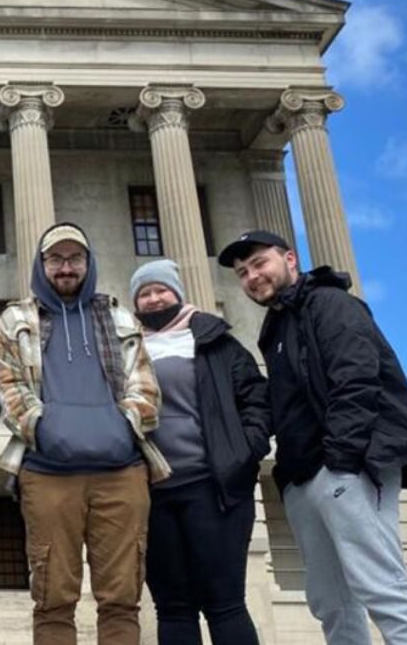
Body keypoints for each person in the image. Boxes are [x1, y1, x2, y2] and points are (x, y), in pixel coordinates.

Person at [219, 230, 407, 645]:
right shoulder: (277, 326)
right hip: (303, 476)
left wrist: (343, 459)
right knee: (331, 601)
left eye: (259, 263)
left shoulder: (330, 303)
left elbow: (356, 379)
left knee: (380, 585)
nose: (252, 277)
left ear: (289, 259)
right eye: (243, 272)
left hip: (344, 466)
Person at [0, 221, 169, 645]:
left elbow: (146, 387)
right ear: (41, 264)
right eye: (56, 259)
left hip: (121, 472)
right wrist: (47, 427)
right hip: (47, 473)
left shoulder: (119, 316)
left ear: (89, 263)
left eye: (75, 258)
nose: (66, 267)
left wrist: (120, 427)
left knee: (122, 599)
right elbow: (10, 388)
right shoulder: (13, 320)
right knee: (53, 599)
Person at [128, 259, 269, 645]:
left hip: (212, 486)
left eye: (161, 290)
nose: (154, 299)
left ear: (178, 293)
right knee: (173, 608)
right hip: (152, 492)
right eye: (145, 293)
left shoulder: (216, 341)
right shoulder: (126, 349)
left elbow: (255, 400)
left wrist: (245, 450)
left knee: (225, 604)